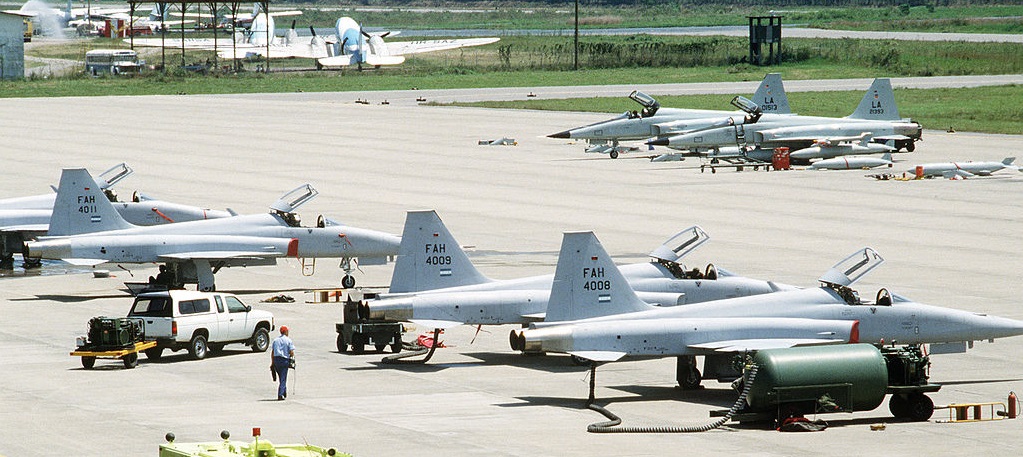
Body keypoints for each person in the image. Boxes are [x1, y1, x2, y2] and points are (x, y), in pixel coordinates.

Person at [270, 326, 295, 401]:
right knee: (283, 378)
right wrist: (291, 357)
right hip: (284, 360)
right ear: (286, 332)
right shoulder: (288, 340)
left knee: (282, 377)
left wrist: (272, 362)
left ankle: (284, 391)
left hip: (276, 360)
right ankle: (280, 394)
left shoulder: (276, 340)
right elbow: (291, 352)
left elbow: (273, 352)